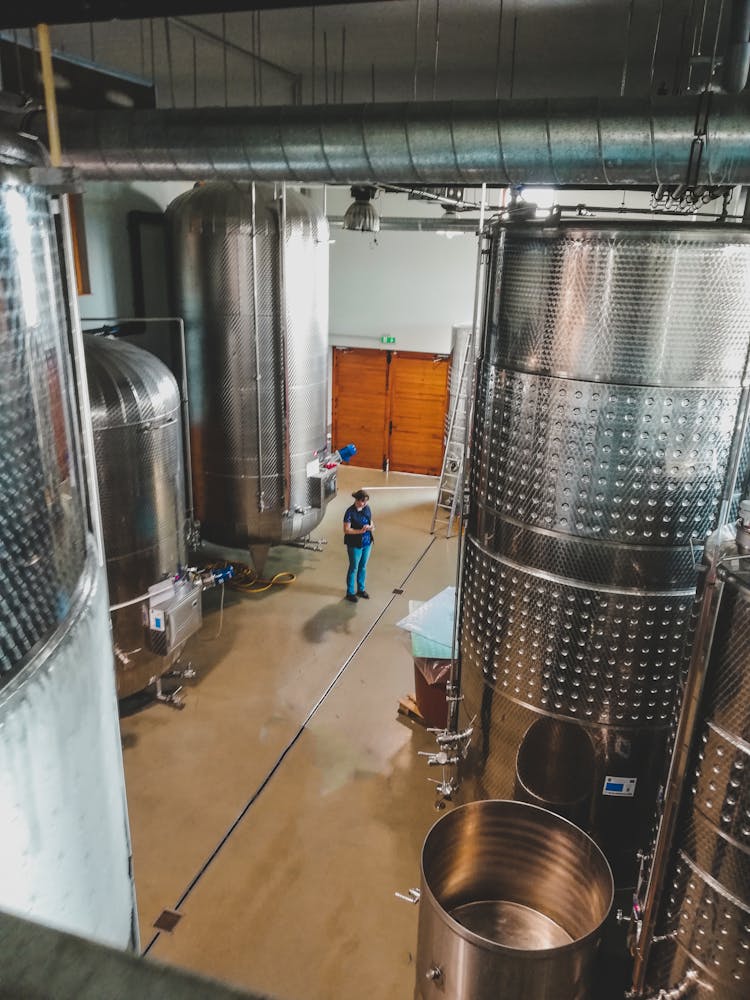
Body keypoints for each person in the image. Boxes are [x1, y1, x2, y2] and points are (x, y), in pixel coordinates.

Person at [343, 489, 374, 603]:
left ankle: (361, 589)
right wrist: (359, 531)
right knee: (354, 567)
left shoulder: (367, 508)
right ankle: (350, 592)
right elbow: (346, 530)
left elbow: (371, 521)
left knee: (363, 566)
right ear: (356, 500)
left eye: (365, 501)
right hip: (354, 544)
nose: (364, 503)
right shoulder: (350, 512)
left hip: (367, 542)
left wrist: (371, 527)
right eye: (362, 501)